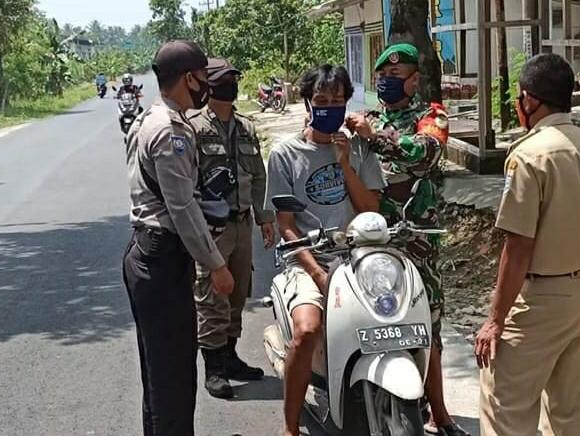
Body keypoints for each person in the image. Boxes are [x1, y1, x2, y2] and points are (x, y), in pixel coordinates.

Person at [474, 53, 580, 436]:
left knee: (505, 404)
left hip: (541, 299)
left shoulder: (528, 155)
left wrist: (495, 320)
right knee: (571, 410)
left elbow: (519, 246)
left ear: (528, 100)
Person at [345, 42, 468, 436]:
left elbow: (425, 154)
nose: (387, 83)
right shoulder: (366, 119)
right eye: (382, 76)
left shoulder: (431, 117)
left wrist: (376, 137)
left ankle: (441, 413)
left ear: (414, 81)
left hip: (416, 237)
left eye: (396, 77)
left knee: (427, 321)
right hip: (373, 236)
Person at [265, 64, 386, 436]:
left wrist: (345, 164)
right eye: (321, 101)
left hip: (357, 256)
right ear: (306, 102)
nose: (329, 108)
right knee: (307, 328)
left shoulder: (360, 148)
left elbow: (371, 210)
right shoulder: (285, 154)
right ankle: (290, 426)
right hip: (306, 258)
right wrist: (316, 271)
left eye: (337, 101)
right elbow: (286, 225)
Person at [122, 40, 234, 436]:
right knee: (172, 377)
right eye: (204, 77)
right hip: (162, 257)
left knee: (159, 374)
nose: (208, 85)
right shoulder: (171, 131)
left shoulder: (145, 119)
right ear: (189, 78)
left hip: (147, 253)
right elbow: (182, 206)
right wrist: (216, 265)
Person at [188, 57, 275, 399]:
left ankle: (230, 356)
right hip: (212, 228)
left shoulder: (247, 128)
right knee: (212, 297)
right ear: (208, 85)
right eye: (223, 80)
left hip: (242, 225)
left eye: (234, 79)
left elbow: (258, 178)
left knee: (238, 293)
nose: (231, 86)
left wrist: (265, 219)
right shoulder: (193, 128)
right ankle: (214, 369)